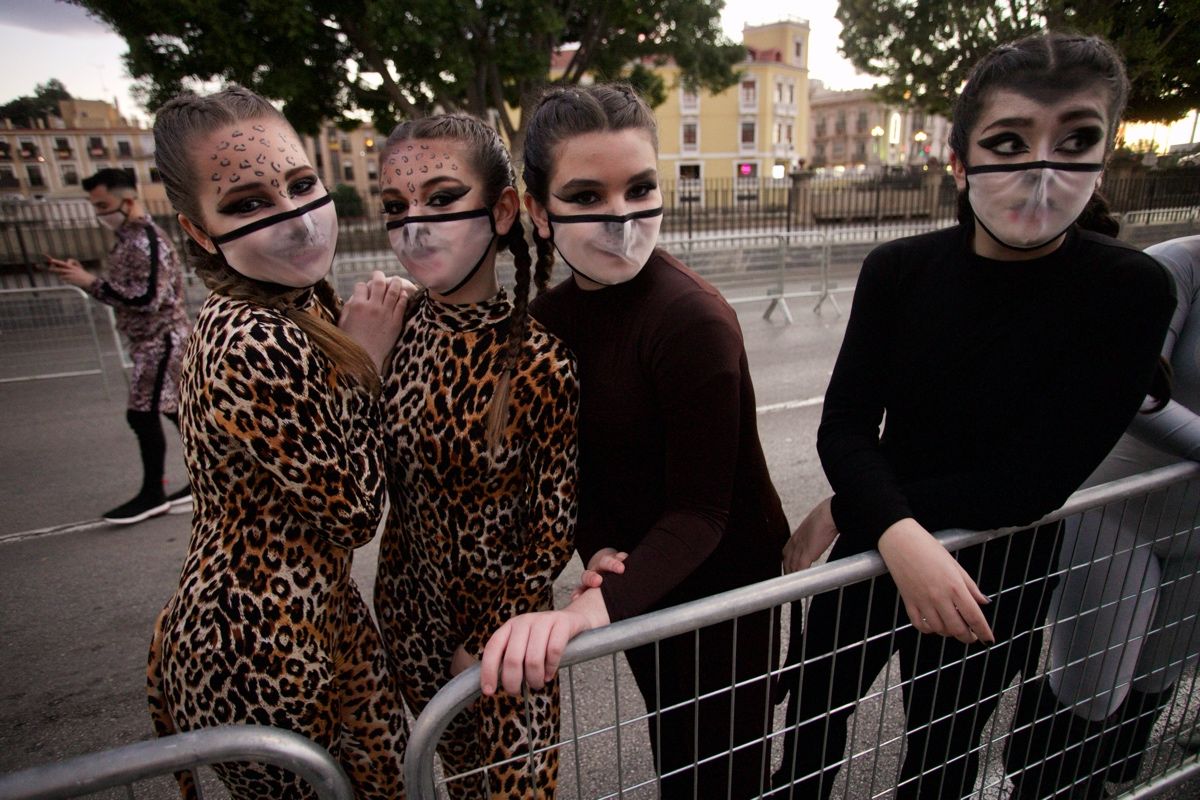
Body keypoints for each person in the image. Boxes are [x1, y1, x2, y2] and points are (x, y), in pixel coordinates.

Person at [773, 33, 1176, 799]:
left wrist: (861, 505)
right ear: (959, 161)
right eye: (1009, 141)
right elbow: (845, 424)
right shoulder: (899, 269)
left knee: (941, 767)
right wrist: (894, 536)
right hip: (868, 553)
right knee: (810, 748)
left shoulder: (1130, 290)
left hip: (996, 576)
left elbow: (1033, 478)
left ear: (1105, 156)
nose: (1041, 167)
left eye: (1077, 141)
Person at [479, 83, 790, 798]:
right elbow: (568, 467)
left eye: (640, 188)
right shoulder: (547, 321)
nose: (620, 217)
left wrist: (590, 609)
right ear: (539, 212)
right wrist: (603, 548)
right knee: (673, 750)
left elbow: (703, 511)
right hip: (639, 584)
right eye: (586, 196)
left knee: (719, 772)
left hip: (723, 590)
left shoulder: (692, 320)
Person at [144, 87, 410, 799]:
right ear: (199, 231)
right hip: (251, 640)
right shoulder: (253, 335)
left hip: (324, 611)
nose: (295, 219)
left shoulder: (297, 302)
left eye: (300, 184)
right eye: (248, 203)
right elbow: (354, 511)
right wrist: (368, 364)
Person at [372, 114, 579, 798]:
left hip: (507, 643)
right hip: (410, 625)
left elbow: (552, 526)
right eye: (396, 207)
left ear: (501, 210)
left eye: (439, 198)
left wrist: (493, 632)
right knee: (461, 785)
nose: (415, 226)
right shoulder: (392, 334)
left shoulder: (541, 361)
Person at [1008, 234, 1200, 798]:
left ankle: (1114, 777)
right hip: (1119, 509)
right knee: (1093, 681)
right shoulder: (1176, 265)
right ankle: (1043, 786)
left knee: (1161, 673)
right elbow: (1134, 391)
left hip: (1196, 523)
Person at [46, 168, 193, 524]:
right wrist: (87, 279)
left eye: (103, 204)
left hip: (160, 341)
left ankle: (153, 494)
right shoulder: (129, 239)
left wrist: (90, 283)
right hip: (153, 340)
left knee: (142, 414)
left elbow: (146, 298)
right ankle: (202, 479)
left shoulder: (145, 240)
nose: (99, 212)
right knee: (179, 413)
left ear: (127, 201)